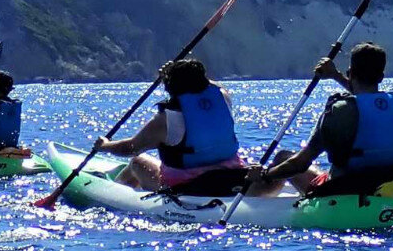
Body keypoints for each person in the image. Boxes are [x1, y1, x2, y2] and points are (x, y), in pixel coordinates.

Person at [93, 59, 282, 196]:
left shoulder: (166, 120)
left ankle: (114, 193)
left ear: (170, 87)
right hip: (235, 176)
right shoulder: (223, 97)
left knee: (136, 161)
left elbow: (130, 148)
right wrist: (173, 75)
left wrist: (105, 145)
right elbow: (206, 85)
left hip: (188, 187)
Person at [249, 43, 393, 197]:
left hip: (346, 190)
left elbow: (300, 164)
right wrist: (335, 76)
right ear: (381, 77)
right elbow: (365, 98)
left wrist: (265, 175)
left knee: (283, 157)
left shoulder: (340, 111)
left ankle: (252, 199)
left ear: (350, 73)